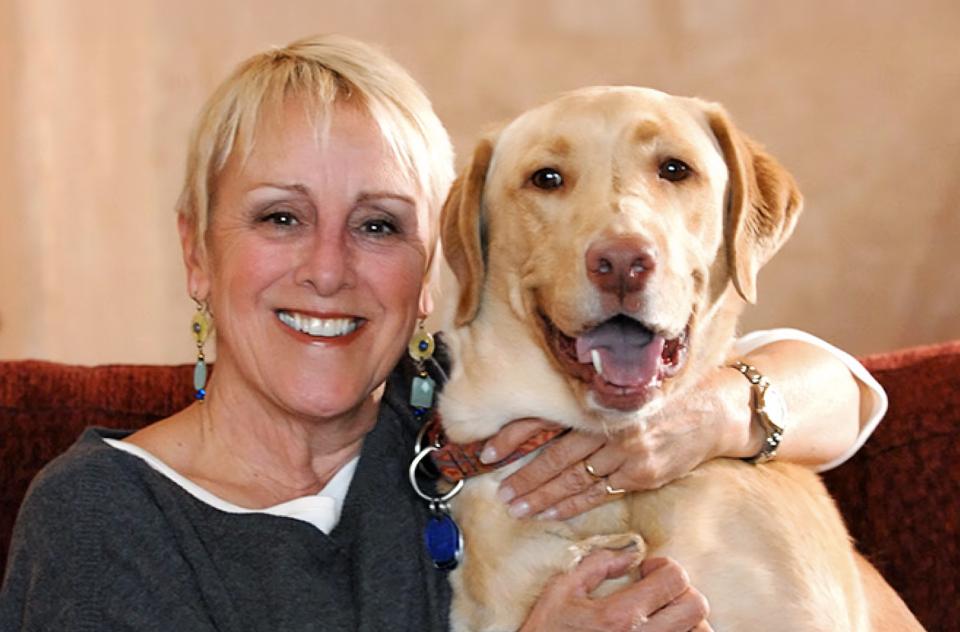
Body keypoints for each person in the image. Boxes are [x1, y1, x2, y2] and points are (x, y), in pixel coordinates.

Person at [0, 34, 889, 631]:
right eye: (279, 218)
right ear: (197, 251)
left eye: (380, 225)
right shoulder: (101, 516)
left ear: (441, 262)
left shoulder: (460, 432)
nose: (328, 268)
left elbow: (840, 390)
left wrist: (709, 417)